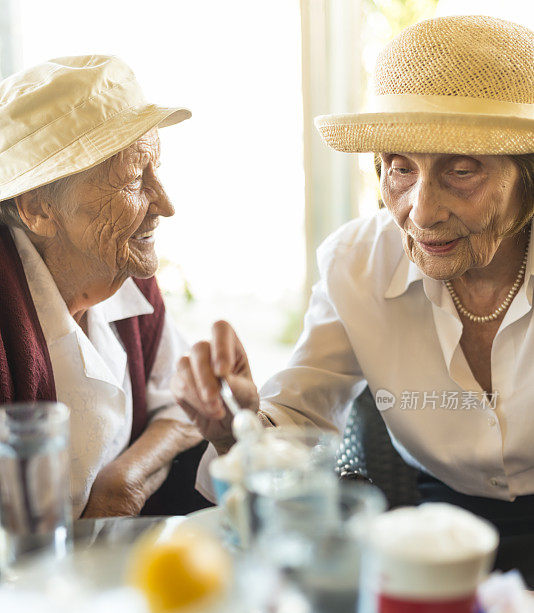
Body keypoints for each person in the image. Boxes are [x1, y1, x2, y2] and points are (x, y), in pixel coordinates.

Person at [173, 15, 534, 583]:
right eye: (399, 168)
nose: (421, 210)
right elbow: (294, 421)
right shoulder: (357, 265)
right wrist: (234, 424)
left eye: (461, 170)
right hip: (429, 540)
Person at [0, 55, 208, 519]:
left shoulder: (124, 276)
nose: (166, 205)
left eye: (157, 169)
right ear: (38, 209)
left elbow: (183, 406)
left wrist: (124, 481)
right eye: (135, 179)